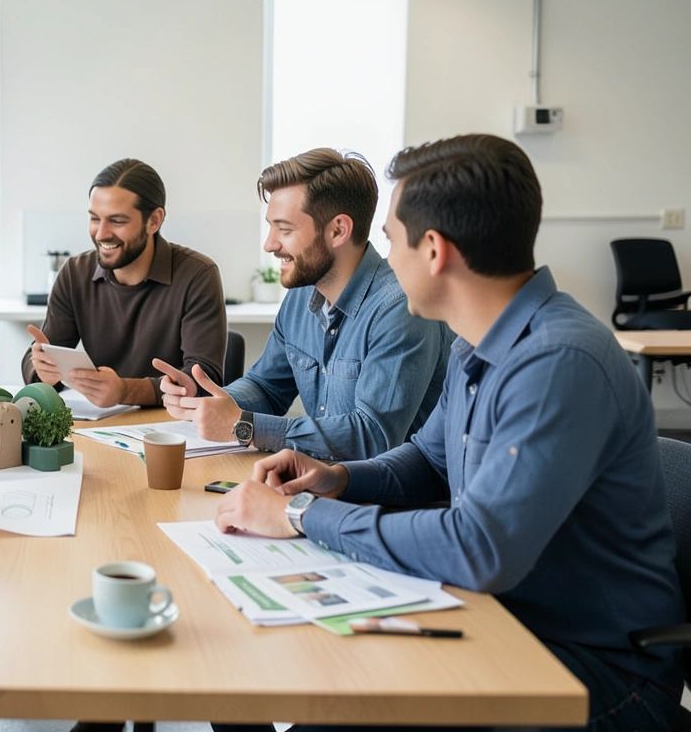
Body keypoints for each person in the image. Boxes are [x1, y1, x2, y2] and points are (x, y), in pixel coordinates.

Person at [213, 135, 685, 732]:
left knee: (337, 707)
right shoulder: (476, 340)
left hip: (590, 673)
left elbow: (479, 548)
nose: (381, 256)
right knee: (317, 682)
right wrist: (334, 479)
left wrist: (304, 514)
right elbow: (426, 463)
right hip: (500, 620)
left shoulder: (558, 361)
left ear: (433, 250)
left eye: (388, 237)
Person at [156, 148, 451, 461]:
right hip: (320, 481)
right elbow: (266, 387)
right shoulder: (302, 294)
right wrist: (207, 400)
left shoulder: (400, 309)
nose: (270, 244)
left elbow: (374, 437)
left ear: (338, 230)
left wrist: (244, 426)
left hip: (385, 501)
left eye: (284, 229)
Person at [23, 158, 226, 408]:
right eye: (95, 219)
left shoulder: (197, 274)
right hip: (98, 426)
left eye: (117, 221)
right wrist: (42, 369)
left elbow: (204, 381)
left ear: (154, 220)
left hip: (171, 429)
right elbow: (39, 358)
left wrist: (126, 391)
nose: (101, 234)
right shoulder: (75, 273)